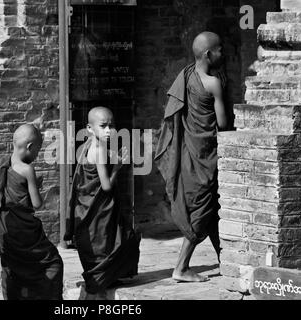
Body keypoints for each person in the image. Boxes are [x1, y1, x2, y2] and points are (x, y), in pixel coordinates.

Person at [155, 31, 228, 282]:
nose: (224, 54)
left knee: (211, 209)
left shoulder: (185, 77)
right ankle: (181, 267)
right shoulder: (212, 82)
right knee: (203, 211)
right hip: (206, 157)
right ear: (208, 54)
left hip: (189, 154)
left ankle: (226, 259)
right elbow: (223, 122)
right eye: (220, 49)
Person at [66, 107, 141, 300]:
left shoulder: (87, 145)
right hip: (98, 210)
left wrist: (112, 159)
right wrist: (118, 167)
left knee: (104, 243)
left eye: (112, 126)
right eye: (103, 126)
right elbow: (106, 185)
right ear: (90, 128)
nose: (109, 131)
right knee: (115, 241)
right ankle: (99, 284)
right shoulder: (99, 150)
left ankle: (105, 277)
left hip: (88, 208)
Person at [0, 124, 64, 300]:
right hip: (26, 233)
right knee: (53, 262)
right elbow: (37, 204)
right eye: (37, 151)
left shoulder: (2, 165)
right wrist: (40, 188)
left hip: (8, 232)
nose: (37, 156)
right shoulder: (27, 169)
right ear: (30, 146)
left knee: (15, 270)